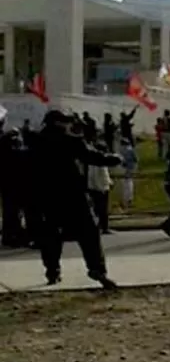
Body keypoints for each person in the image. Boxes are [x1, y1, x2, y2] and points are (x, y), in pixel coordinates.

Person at [33, 110, 122, 288]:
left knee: (51, 235)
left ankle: (52, 270)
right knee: (89, 233)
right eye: (67, 122)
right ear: (59, 123)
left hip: (46, 195)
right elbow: (91, 156)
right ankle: (97, 269)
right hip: (72, 193)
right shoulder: (70, 140)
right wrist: (114, 159)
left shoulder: (35, 141)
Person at [0, 130, 27, 247]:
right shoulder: (13, 154)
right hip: (13, 184)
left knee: (10, 211)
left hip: (7, 184)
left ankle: (9, 235)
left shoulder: (5, 152)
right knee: (12, 211)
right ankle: (13, 234)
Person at [86, 142, 114, 234]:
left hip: (103, 187)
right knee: (100, 209)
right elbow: (94, 177)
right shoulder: (97, 162)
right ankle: (102, 227)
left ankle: (103, 227)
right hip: (99, 189)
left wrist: (110, 182)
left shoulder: (100, 161)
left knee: (102, 209)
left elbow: (105, 176)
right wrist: (100, 188)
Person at [118, 138, 139, 212]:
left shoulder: (121, 150)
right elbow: (136, 160)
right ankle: (128, 200)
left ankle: (125, 201)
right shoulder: (130, 150)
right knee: (129, 184)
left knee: (125, 185)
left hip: (124, 169)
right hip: (129, 169)